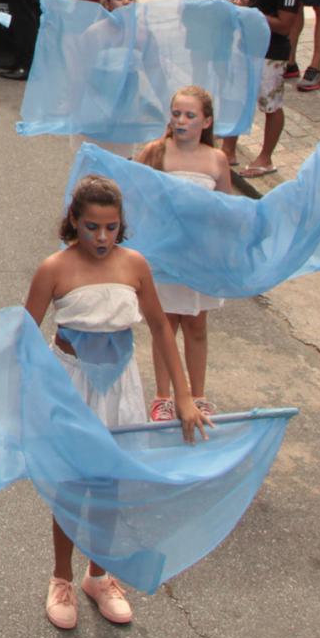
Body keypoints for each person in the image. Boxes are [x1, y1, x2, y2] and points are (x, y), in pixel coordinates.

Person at [24, 175, 207, 630]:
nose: (101, 237)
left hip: (121, 384)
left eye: (110, 227)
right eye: (91, 227)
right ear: (74, 222)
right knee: (72, 483)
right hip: (71, 384)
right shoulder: (54, 269)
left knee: (109, 484)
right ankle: (61, 577)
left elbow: (162, 328)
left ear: (121, 225)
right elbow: (22, 336)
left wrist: (183, 397)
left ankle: (99, 575)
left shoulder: (135, 265)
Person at [134, 85, 233, 421]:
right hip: (164, 255)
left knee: (196, 325)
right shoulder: (154, 152)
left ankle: (198, 394)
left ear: (206, 122)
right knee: (165, 325)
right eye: (176, 114)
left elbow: (225, 208)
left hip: (199, 257)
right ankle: (163, 396)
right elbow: (137, 198)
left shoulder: (216, 159)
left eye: (190, 115)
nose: (181, 121)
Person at [228, 0, 300, 178]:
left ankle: (265, 158)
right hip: (247, 43)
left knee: (270, 104)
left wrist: (251, 13)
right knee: (237, 96)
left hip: (272, 50)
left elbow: (285, 25)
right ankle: (229, 150)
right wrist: (242, 6)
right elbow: (253, 2)